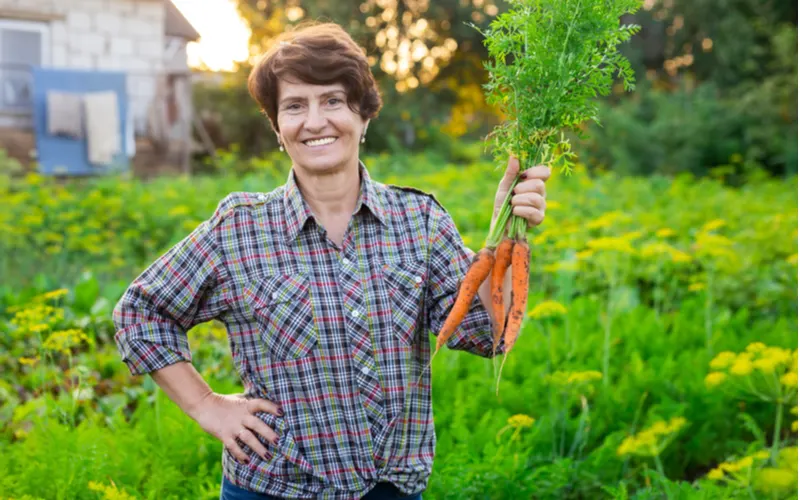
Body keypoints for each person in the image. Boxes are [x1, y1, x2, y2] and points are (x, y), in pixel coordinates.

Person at [112, 21, 550, 500]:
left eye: (333, 101)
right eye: (294, 106)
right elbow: (141, 312)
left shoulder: (420, 220)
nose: (315, 121)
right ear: (278, 128)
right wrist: (206, 404)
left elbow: (488, 334)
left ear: (363, 116)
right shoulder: (238, 227)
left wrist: (504, 240)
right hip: (273, 488)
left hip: (391, 490)